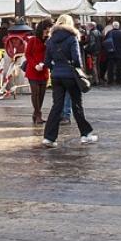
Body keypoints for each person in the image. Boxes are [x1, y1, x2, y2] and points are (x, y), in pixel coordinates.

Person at [41, 14, 97, 147]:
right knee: (76, 105)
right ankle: (85, 134)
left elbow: (47, 62)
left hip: (56, 76)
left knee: (57, 106)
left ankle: (49, 137)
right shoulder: (72, 38)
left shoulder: (50, 40)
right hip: (70, 76)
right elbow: (77, 60)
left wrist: (56, 67)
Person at [25, 18, 53, 124]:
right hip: (33, 70)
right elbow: (28, 54)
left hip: (44, 70)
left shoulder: (49, 40)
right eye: (47, 29)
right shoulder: (33, 40)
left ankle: (36, 113)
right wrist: (35, 65)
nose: (48, 31)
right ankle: (38, 114)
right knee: (35, 93)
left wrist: (45, 63)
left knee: (41, 94)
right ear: (43, 29)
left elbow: (50, 53)